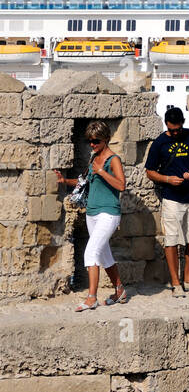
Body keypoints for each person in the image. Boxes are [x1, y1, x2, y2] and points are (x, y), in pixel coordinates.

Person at [56, 120, 127, 311]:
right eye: (90, 141)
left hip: (109, 213)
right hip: (92, 212)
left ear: (106, 139)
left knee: (91, 252)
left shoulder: (114, 160)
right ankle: (119, 290)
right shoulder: (93, 158)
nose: (93, 145)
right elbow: (83, 182)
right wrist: (65, 181)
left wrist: (102, 172)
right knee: (104, 256)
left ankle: (91, 298)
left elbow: (121, 185)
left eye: (96, 141)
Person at [145, 107, 189, 296]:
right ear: (166, 125)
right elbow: (150, 172)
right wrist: (167, 179)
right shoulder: (159, 143)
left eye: (178, 129)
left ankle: (188, 279)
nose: (175, 133)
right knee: (172, 238)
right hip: (172, 197)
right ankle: (175, 282)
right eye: (172, 130)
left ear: (183, 123)